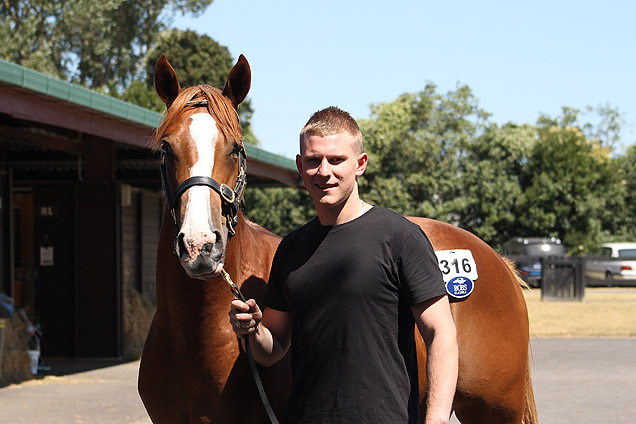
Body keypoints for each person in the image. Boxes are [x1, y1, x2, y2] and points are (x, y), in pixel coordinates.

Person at [229, 106, 458, 424]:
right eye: (313, 160)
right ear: (300, 165)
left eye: (336, 160)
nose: (324, 171)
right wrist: (252, 331)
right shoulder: (291, 249)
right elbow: (273, 349)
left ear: (360, 164)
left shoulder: (400, 237)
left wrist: (436, 419)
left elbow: (441, 334)